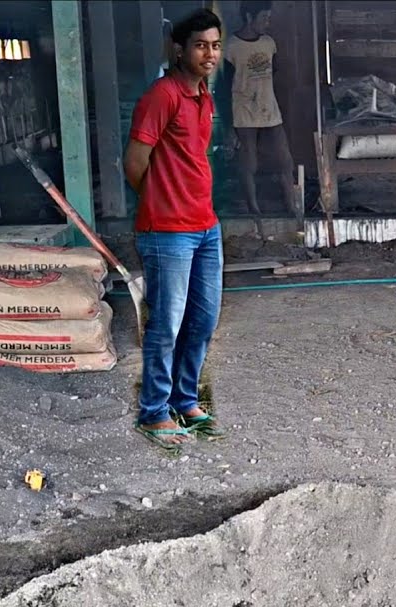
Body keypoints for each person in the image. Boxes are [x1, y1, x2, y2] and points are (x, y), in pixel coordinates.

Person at [124, 8, 228, 448]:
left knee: (203, 320)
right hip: (168, 231)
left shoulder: (204, 95)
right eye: (201, 45)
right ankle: (153, 411)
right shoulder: (162, 96)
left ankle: (185, 400)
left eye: (216, 45)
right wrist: (159, 202)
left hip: (206, 226)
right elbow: (134, 163)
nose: (209, 53)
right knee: (167, 323)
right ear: (180, 49)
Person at [224, 0, 299, 217]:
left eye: (269, 17)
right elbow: (226, 84)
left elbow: (273, 70)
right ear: (249, 17)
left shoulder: (268, 43)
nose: (267, 22)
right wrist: (229, 125)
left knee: (285, 159)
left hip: (269, 108)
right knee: (250, 162)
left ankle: (291, 206)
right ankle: (253, 208)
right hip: (244, 110)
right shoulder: (232, 47)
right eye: (263, 18)